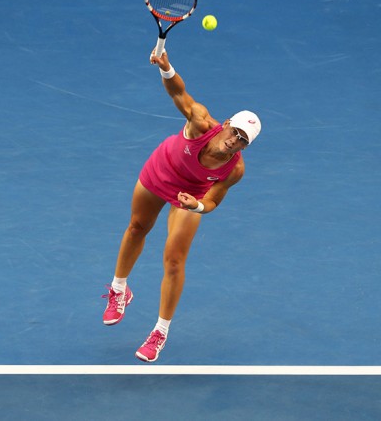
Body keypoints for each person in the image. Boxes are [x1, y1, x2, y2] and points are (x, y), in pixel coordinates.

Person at [102, 46, 262, 362]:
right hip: (160, 170)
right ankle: (119, 289)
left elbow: (213, 200)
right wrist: (166, 67)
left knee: (174, 260)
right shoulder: (200, 121)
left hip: (190, 195)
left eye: (243, 140)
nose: (235, 140)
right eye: (235, 131)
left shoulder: (235, 170)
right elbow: (179, 93)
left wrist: (196, 206)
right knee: (137, 227)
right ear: (226, 123)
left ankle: (160, 332)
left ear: (245, 147)